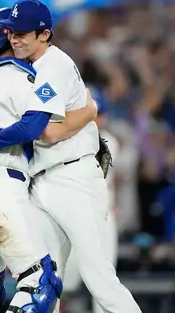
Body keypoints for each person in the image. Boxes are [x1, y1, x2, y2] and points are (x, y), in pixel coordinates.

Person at [0, 0, 141, 312]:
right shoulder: (23, 67)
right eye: (12, 32)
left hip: (73, 178)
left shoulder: (54, 65)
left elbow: (48, 132)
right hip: (41, 181)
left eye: (23, 33)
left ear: (44, 34)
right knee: (44, 279)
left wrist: (90, 112)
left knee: (99, 278)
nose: (15, 38)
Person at [0, 7, 97, 313]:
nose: (19, 41)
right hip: (2, 188)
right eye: (14, 35)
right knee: (39, 284)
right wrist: (90, 110)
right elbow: (35, 126)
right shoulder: (18, 76)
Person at [63, 86, 120, 313]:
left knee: (103, 285)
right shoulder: (63, 139)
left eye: (98, 114)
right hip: (70, 219)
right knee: (62, 282)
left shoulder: (109, 142)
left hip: (100, 221)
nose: (95, 120)